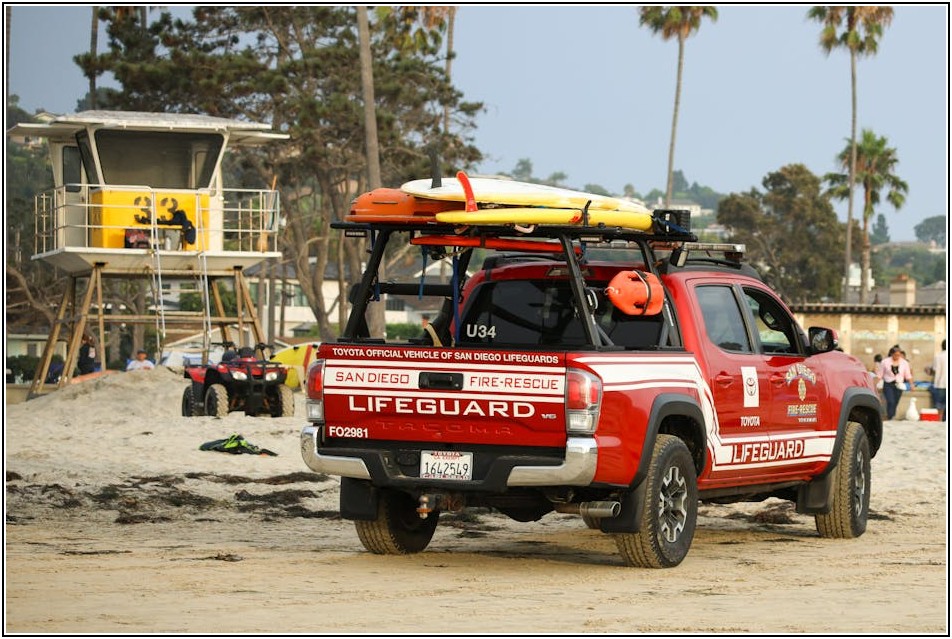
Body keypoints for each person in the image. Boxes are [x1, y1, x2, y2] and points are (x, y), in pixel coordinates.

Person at [877, 346, 913, 420]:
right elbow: (880, 374)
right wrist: (875, 383)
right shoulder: (885, 362)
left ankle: (892, 415)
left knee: (896, 401)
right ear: (892, 354)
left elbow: (908, 375)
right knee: (891, 401)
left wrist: (911, 384)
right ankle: (890, 416)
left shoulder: (904, 363)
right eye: (895, 355)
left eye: (898, 355)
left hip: (899, 384)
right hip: (888, 384)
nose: (897, 357)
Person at [927, 339, 947, 422]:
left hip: (940, 383)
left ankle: (939, 419)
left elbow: (935, 370)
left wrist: (928, 370)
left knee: (939, 405)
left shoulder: (938, 356)